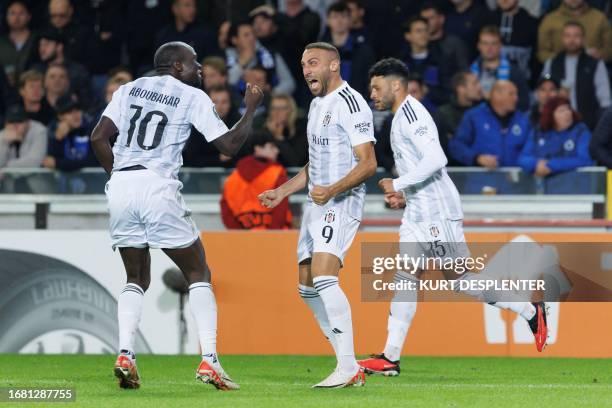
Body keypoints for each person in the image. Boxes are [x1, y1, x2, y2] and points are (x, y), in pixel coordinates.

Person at [357, 58, 548, 376]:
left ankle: (529, 309)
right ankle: (390, 358)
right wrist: (405, 195)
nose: (372, 93)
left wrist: (399, 183)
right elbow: (423, 166)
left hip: (437, 213)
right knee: (405, 276)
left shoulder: (413, 114)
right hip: (419, 210)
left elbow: (436, 158)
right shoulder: (400, 116)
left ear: (395, 85)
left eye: (377, 87)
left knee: (461, 280)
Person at [90, 41, 263, 390]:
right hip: (157, 184)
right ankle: (210, 360)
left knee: (136, 277)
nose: (200, 68)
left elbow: (98, 138)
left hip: (122, 186)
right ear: (177, 66)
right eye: (195, 62)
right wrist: (250, 110)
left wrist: (120, 177)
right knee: (198, 271)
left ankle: (126, 354)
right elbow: (228, 147)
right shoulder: (191, 96)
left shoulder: (129, 88)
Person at [258, 42, 377, 388]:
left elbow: (368, 162)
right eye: (303, 64)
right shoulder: (314, 105)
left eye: (313, 63)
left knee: (325, 279)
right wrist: (282, 190)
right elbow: (316, 164)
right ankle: (349, 363)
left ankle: (346, 365)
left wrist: (333, 190)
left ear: (334, 65)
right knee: (307, 288)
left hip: (341, 202)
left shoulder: (352, 104)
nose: (306, 69)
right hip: (317, 202)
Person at [541, 21, 610, 129]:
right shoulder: (552, 63)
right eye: (567, 35)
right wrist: (556, 94)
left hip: (588, 124)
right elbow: (543, 92)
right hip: (557, 125)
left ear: (583, 39)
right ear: (562, 38)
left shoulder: (595, 64)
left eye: (576, 35)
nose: (572, 40)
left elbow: (605, 100)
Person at [449, 80, 530, 169]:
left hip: (515, 180)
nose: (516, 98)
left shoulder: (523, 120)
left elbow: (531, 150)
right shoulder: (474, 116)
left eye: (516, 94)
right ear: (497, 95)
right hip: (481, 179)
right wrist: (477, 158)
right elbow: (456, 146)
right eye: (511, 94)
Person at [221, 132, 292, 230]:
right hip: (276, 237)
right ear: (257, 148)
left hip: (242, 239)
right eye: (272, 147)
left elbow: (226, 211)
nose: (277, 151)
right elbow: (281, 209)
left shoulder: (232, 178)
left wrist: (240, 236)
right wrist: (273, 235)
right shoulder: (277, 172)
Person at [519, 96, 593, 176]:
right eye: (561, 111)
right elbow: (523, 158)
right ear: (551, 115)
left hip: (573, 184)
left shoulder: (581, 131)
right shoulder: (538, 132)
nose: (567, 113)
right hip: (543, 186)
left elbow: (585, 160)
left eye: (568, 109)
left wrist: (551, 165)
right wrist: (535, 164)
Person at [225, 20, 295, 96]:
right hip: (237, 105)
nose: (252, 38)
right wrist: (242, 63)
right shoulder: (226, 58)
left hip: (269, 104)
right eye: (246, 35)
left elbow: (289, 83)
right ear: (234, 40)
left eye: (253, 34)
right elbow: (227, 85)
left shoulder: (270, 55)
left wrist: (269, 95)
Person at [321, 2, 375, 97]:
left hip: (357, 105)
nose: (339, 21)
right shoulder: (320, 52)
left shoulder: (364, 52)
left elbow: (370, 83)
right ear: (327, 21)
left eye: (343, 16)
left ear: (350, 20)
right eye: (335, 17)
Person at [470, 25, 530, 110]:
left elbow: (524, 103)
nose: (489, 48)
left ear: (500, 46)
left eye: (493, 43)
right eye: (485, 43)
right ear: (479, 46)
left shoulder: (514, 72)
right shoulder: (470, 71)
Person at [537, 0, 612, 64]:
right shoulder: (550, 20)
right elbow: (542, 53)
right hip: (557, 72)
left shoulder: (600, 18)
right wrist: (566, 59)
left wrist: (600, 55)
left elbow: (609, 50)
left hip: (593, 70)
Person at [434, 71, 482, 163]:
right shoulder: (443, 114)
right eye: (475, 83)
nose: (479, 88)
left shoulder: (484, 112)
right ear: (461, 89)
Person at [399, 16, 448, 106]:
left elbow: (447, 93)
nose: (423, 34)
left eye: (425, 30)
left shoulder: (440, 60)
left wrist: (427, 90)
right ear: (408, 36)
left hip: (433, 111)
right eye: (418, 31)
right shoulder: (400, 63)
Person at [43, 94, 97, 171]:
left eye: (77, 110)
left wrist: (59, 163)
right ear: (60, 116)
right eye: (69, 112)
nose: (75, 115)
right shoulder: (53, 132)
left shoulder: (92, 129)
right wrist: (58, 140)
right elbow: (49, 162)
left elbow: (95, 160)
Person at [489, 0, 539, 80]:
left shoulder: (531, 23)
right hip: (490, 81)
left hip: (523, 82)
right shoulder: (486, 20)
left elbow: (536, 59)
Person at [420, 2, 469, 78]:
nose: (427, 22)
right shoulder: (418, 44)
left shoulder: (454, 43)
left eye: (431, 18)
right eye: (424, 19)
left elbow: (464, 71)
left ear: (441, 19)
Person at [261, 93, 308, 166]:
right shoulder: (264, 131)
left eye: (282, 108)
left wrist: (278, 136)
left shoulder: (301, 131)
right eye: (274, 108)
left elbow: (295, 162)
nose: (277, 112)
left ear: (291, 111)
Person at [0, 1, 37, 86]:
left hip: (32, 87)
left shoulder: (37, 40)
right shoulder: (1, 42)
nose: (16, 17)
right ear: (6, 17)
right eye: (12, 13)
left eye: (21, 13)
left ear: (29, 16)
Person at [0, 104, 47, 168]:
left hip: (35, 176)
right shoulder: (3, 134)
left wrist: (5, 165)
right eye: (11, 122)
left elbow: (34, 162)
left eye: (19, 121)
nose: (15, 126)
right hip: (8, 176)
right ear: (5, 124)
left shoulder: (39, 131)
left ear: (28, 122)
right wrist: (4, 143)